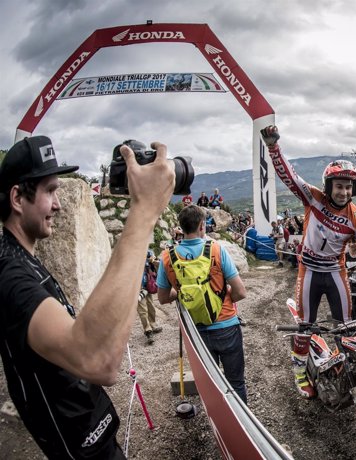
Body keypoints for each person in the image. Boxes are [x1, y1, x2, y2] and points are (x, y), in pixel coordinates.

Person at [0, 135, 174, 458]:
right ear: (16, 198)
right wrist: (145, 210)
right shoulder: (10, 277)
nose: (58, 204)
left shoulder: (22, 260)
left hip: (92, 440)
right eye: (50, 191)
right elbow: (99, 359)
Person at [260, 125, 356, 398]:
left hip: (336, 271)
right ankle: (299, 371)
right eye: (339, 186)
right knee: (306, 326)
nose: (344, 192)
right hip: (309, 270)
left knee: (347, 326)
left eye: (348, 187)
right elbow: (290, 178)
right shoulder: (314, 198)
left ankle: (343, 371)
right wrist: (274, 148)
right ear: (329, 186)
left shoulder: (355, 215)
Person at [157, 205, 249, 403]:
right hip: (226, 325)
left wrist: (183, 291)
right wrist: (224, 297)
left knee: (211, 382)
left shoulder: (167, 257)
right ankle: (241, 423)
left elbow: (163, 298)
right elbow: (241, 292)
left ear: (181, 228)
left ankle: (218, 417)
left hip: (196, 329)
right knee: (236, 382)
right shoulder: (216, 250)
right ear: (202, 226)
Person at [138, 249, 163, 345]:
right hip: (137, 287)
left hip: (147, 283)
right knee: (142, 310)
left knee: (151, 306)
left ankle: (153, 324)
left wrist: (152, 260)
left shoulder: (149, 252)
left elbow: (158, 265)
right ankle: (148, 331)